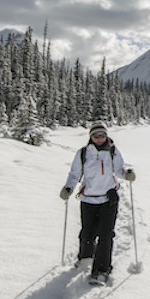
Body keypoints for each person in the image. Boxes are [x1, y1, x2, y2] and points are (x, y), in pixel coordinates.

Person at [60, 122, 136, 285]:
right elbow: (75, 174)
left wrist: (127, 174)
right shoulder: (83, 153)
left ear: (106, 136)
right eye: (96, 135)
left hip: (108, 199)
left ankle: (101, 270)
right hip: (88, 199)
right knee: (87, 232)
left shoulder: (113, 151)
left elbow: (119, 169)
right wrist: (68, 188)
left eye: (102, 135)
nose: (99, 138)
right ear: (90, 137)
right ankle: (85, 259)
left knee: (106, 234)